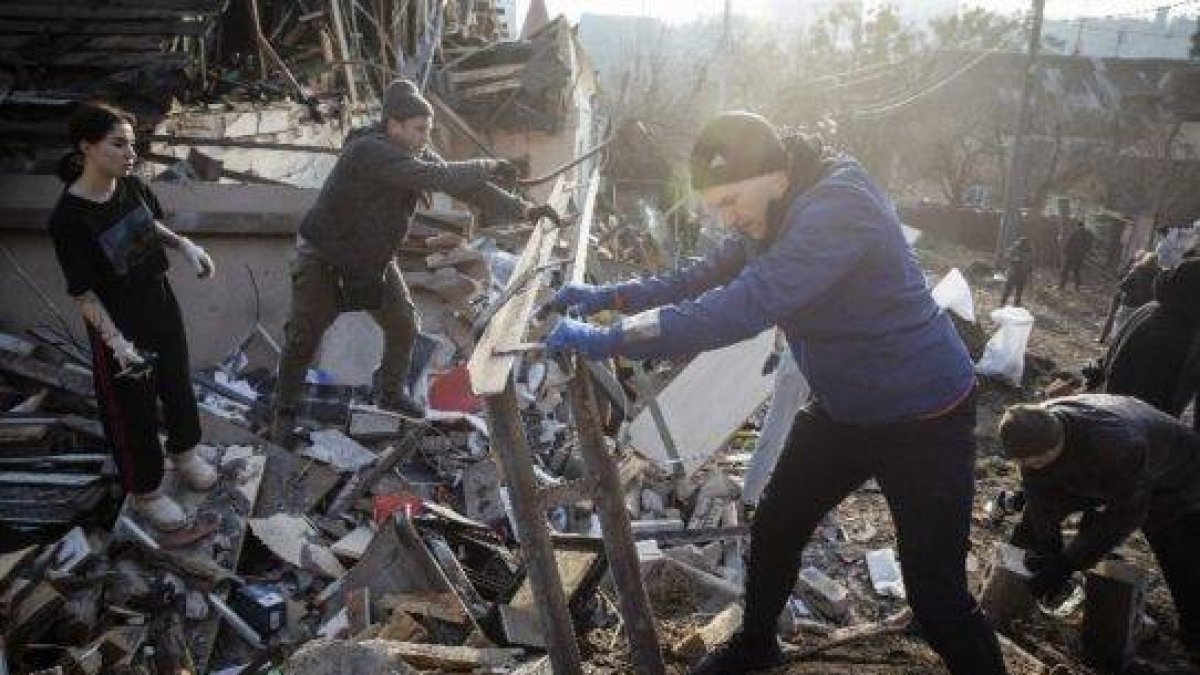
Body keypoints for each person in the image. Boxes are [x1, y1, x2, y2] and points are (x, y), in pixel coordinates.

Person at [544, 112, 1007, 675]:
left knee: (937, 600)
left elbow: (744, 304)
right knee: (776, 527)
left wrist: (613, 339)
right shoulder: (769, 210)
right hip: (844, 409)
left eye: (732, 200)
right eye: (717, 206)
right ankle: (758, 646)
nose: (727, 217)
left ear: (777, 176)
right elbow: (702, 274)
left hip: (923, 414)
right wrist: (612, 295)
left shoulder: (838, 208)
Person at [270, 79, 559, 444]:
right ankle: (283, 414)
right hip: (325, 257)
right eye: (419, 129)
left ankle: (389, 392)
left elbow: (461, 184)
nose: (425, 138)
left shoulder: (413, 152)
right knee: (303, 338)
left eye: (429, 130)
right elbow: (434, 177)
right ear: (393, 124)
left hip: (371, 260)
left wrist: (525, 209)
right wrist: (489, 164)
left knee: (404, 325)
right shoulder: (368, 150)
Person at [47, 102, 219, 531]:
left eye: (133, 144)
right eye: (118, 144)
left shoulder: (130, 185)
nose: (131, 153)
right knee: (132, 408)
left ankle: (185, 455)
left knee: (177, 382)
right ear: (86, 147)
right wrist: (117, 343)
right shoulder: (69, 219)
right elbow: (83, 294)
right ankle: (146, 492)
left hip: (159, 299)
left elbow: (147, 224)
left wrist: (184, 245)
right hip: (117, 318)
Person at [998, 394, 1200, 658]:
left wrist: (1066, 564)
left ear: (1055, 444)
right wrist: (1050, 550)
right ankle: (1007, 599)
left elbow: (1123, 517)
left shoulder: (1118, 446)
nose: (1028, 467)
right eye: (1022, 462)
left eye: (1034, 460)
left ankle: (1195, 637)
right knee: (1034, 526)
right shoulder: (1031, 433)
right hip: (1101, 465)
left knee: (1179, 552)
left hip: (1176, 474)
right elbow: (1040, 499)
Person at [1101, 257, 1200, 423]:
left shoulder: (1151, 308)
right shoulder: (1180, 335)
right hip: (1139, 425)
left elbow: (1113, 353)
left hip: (1112, 408)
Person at [1111, 251, 1160, 335]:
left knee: (1120, 323)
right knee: (1133, 328)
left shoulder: (1137, 271)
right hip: (1143, 307)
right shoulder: (1158, 276)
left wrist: (1128, 292)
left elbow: (1123, 285)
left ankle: (1116, 341)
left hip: (1129, 303)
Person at [1059, 220, 1093, 290]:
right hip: (1078, 255)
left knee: (1066, 270)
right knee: (1075, 270)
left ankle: (1062, 285)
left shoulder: (1075, 233)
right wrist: (1084, 252)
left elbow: (1068, 242)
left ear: (1077, 226)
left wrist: (1064, 250)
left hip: (1072, 254)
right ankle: (1076, 286)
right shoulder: (1086, 234)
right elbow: (1089, 246)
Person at [1000, 235, 1034, 307]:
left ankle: (1016, 305)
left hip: (1023, 274)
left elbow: (1030, 263)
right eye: (1024, 244)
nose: (1025, 246)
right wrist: (1015, 259)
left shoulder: (1029, 251)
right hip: (1013, 273)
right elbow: (1007, 256)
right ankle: (1002, 303)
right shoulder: (1014, 248)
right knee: (1008, 290)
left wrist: (1030, 273)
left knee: (1019, 292)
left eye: (1026, 244)